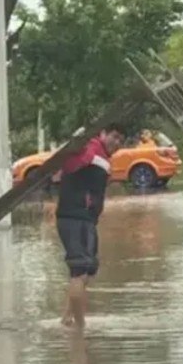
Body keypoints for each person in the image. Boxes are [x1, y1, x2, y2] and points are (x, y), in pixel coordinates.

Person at [57, 124, 125, 329]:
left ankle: (67, 318)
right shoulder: (90, 148)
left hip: (86, 220)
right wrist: (80, 143)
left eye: (121, 140)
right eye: (114, 136)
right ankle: (80, 329)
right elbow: (69, 163)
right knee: (79, 271)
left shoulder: (102, 157)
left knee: (87, 270)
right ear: (102, 133)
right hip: (75, 217)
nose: (117, 142)